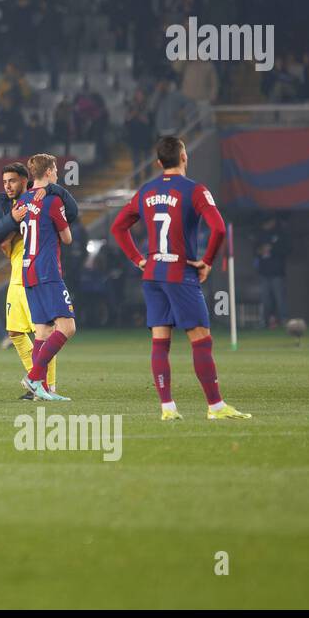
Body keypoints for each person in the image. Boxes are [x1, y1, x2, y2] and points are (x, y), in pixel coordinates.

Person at [110, 135, 251, 421]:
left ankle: (168, 408)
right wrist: (207, 261)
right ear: (185, 157)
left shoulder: (146, 191)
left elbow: (117, 228)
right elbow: (219, 229)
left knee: (160, 342)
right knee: (201, 340)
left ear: (159, 162)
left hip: (152, 275)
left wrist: (139, 259)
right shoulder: (195, 190)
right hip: (180, 273)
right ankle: (215, 406)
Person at [0, 161, 79, 398]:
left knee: (44, 330)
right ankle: (37, 380)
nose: (7, 186)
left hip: (31, 271)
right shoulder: (6, 204)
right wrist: (13, 219)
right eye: (4, 182)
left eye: (12, 181)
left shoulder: (37, 199)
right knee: (18, 332)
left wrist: (54, 189)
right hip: (24, 273)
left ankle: (46, 384)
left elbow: (73, 212)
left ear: (26, 180)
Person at [15, 154, 77, 402]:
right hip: (47, 270)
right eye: (56, 170)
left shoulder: (23, 199)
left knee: (42, 331)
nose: (58, 174)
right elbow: (67, 238)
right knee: (68, 327)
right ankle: (34, 376)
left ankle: (41, 389)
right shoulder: (52, 200)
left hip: (27, 270)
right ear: (50, 171)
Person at [253, 215, 290, 328]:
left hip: (277, 272)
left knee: (280, 298)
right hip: (264, 272)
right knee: (265, 300)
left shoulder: (280, 234)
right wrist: (261, 250)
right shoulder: (260, 235)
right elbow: (255, 250)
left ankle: (283, 320)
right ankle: (265, 321)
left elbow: (286, 249)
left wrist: (272, 249)